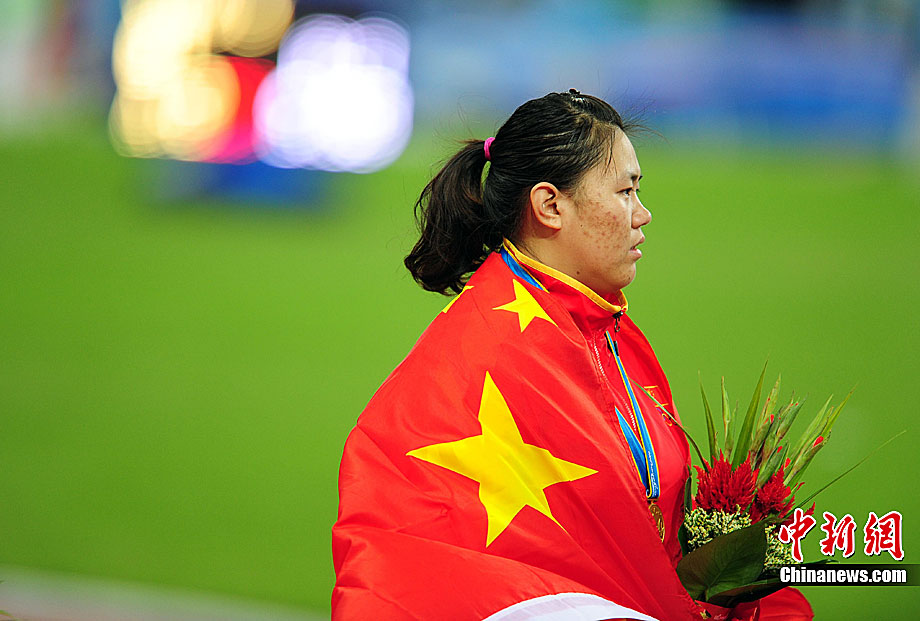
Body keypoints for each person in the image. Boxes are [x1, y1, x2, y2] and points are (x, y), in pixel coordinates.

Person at [331, 90, 811, 620]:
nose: (643, 214)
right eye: (625, 191)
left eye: (638, 190)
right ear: (550, 206)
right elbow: (408, 563)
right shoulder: (481, 354)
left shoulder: (605, 330)